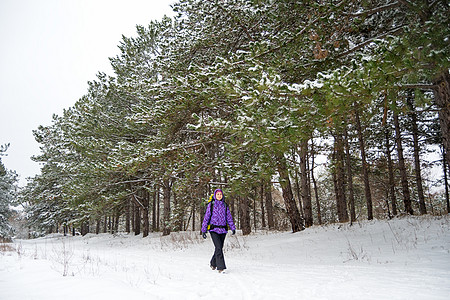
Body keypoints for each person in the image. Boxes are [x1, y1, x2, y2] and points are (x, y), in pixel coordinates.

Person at [201, 189, 236, 273]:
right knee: (218, 247)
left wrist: (232, 227)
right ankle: (221, 267)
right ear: (215, 195)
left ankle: (213, 263)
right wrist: (204, 229)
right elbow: (206, 217)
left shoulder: (225, 205)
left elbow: (229, 217)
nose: (219, 196)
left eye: (220, 194)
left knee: (219, 248)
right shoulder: (211, 205)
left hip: (223, 230)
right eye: (218, 194)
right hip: (214, 229)